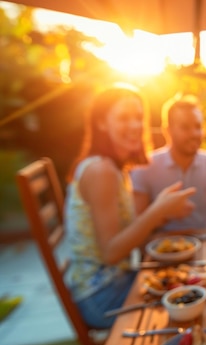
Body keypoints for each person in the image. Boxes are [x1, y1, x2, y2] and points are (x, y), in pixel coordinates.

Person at [64, 83, 196, 328]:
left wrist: (162, 213)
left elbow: (121, 236)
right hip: (101, 295)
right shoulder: (101, 170)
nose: (135, 126)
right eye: (124, 118)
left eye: (138, 118)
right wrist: (158, 210)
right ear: (102, 123)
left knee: (189, 282)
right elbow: (111, 252)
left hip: (115, 282)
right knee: (189, 302)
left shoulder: (112, 168)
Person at [131, 94, 206, 232]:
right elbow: (135, 226)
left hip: (204, 243)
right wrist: (163, 213)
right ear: (167, 130)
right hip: (160, 246)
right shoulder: (145, 167)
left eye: (198, 127)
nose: (194, 134)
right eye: (185, 127)